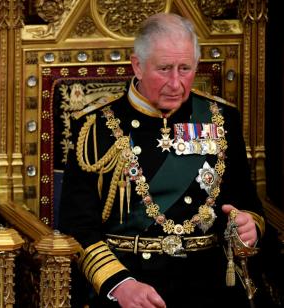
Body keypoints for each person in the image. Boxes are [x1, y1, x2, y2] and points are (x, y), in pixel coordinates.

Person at [59, 13, 266, 308]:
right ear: (137, 66)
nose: (175, 82)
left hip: (209, 282)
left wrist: (249, 226)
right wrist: (119, 284)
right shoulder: (95, 128)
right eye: (164, 68)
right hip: (130, 281)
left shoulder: (221, 118)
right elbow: (77, 224)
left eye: (185, 68)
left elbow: (247, 204)